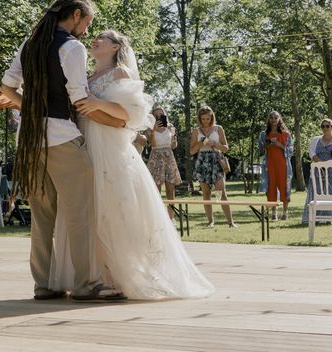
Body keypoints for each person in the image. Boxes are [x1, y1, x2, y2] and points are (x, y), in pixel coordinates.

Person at [50, 29, 214, 300]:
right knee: (88, 209)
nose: (95, 40)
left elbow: (133, 116)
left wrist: (95, 103)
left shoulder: (121, 73)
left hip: (110, 148)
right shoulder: (86, 78)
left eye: (103, 37)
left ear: (115, 47)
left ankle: (117, 274)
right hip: (85, 145)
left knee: (115, 208)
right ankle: (94, 276)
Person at [1, 0, 128, 302]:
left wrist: (30, 109)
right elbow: (78, 97)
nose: (86, 29)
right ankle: (87, 284)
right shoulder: (72, 47)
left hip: (30, 141)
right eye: (87, 21)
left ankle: (43, 284)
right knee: (80, 214)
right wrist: (115, 121)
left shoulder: (30, 44)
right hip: (61, 138)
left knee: (42, 216)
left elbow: (6, 88)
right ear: (75, 15)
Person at [190, 105, 237, 228]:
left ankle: (230, 222)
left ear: (212, 117)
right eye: (203, 119)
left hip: (217, 160)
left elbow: (226, 148)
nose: (206, 121)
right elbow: (191, 151)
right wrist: (200, 143)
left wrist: (215, 144)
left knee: (221, 192)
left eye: (208, 118)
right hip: (202, 161)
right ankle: (210, 221)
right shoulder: (196, 131)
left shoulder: (218, 128)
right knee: (206, 193)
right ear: (199, 118)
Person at [301, 118, 332, 225]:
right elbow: (311, 153)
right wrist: (321, 164)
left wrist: (327, 164)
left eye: (328, 126)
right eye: (323, 126)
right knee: (317, 193)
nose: (325, 128)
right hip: (317, 171)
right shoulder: (315, 140)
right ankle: (315, 218)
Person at [145, 105, 181, 220]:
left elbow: (173, 146)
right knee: (156, 191)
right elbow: (153, 144)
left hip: (169, 157)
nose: (159, 117)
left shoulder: (170, 127)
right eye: (156, 115)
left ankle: (171, 218)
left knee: (170, 190)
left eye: (161, 115)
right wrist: (154, 129)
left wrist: (174, 141)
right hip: (156, 158)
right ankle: (158, 219)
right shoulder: (149, 129)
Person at [258, 111, 293, 220]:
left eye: (275, 117)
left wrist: (279, 145)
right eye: (271, 118)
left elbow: (291, 151)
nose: (273, 120)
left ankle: (285, 213)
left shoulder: (286, 134)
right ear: (268, 119)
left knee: (284, 187)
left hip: (283, 165)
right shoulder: (263, 134)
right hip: (269, 165)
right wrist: (265, 146)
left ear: (279, 119)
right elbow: (260, 151)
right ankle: (274, 213)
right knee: (271, 187)